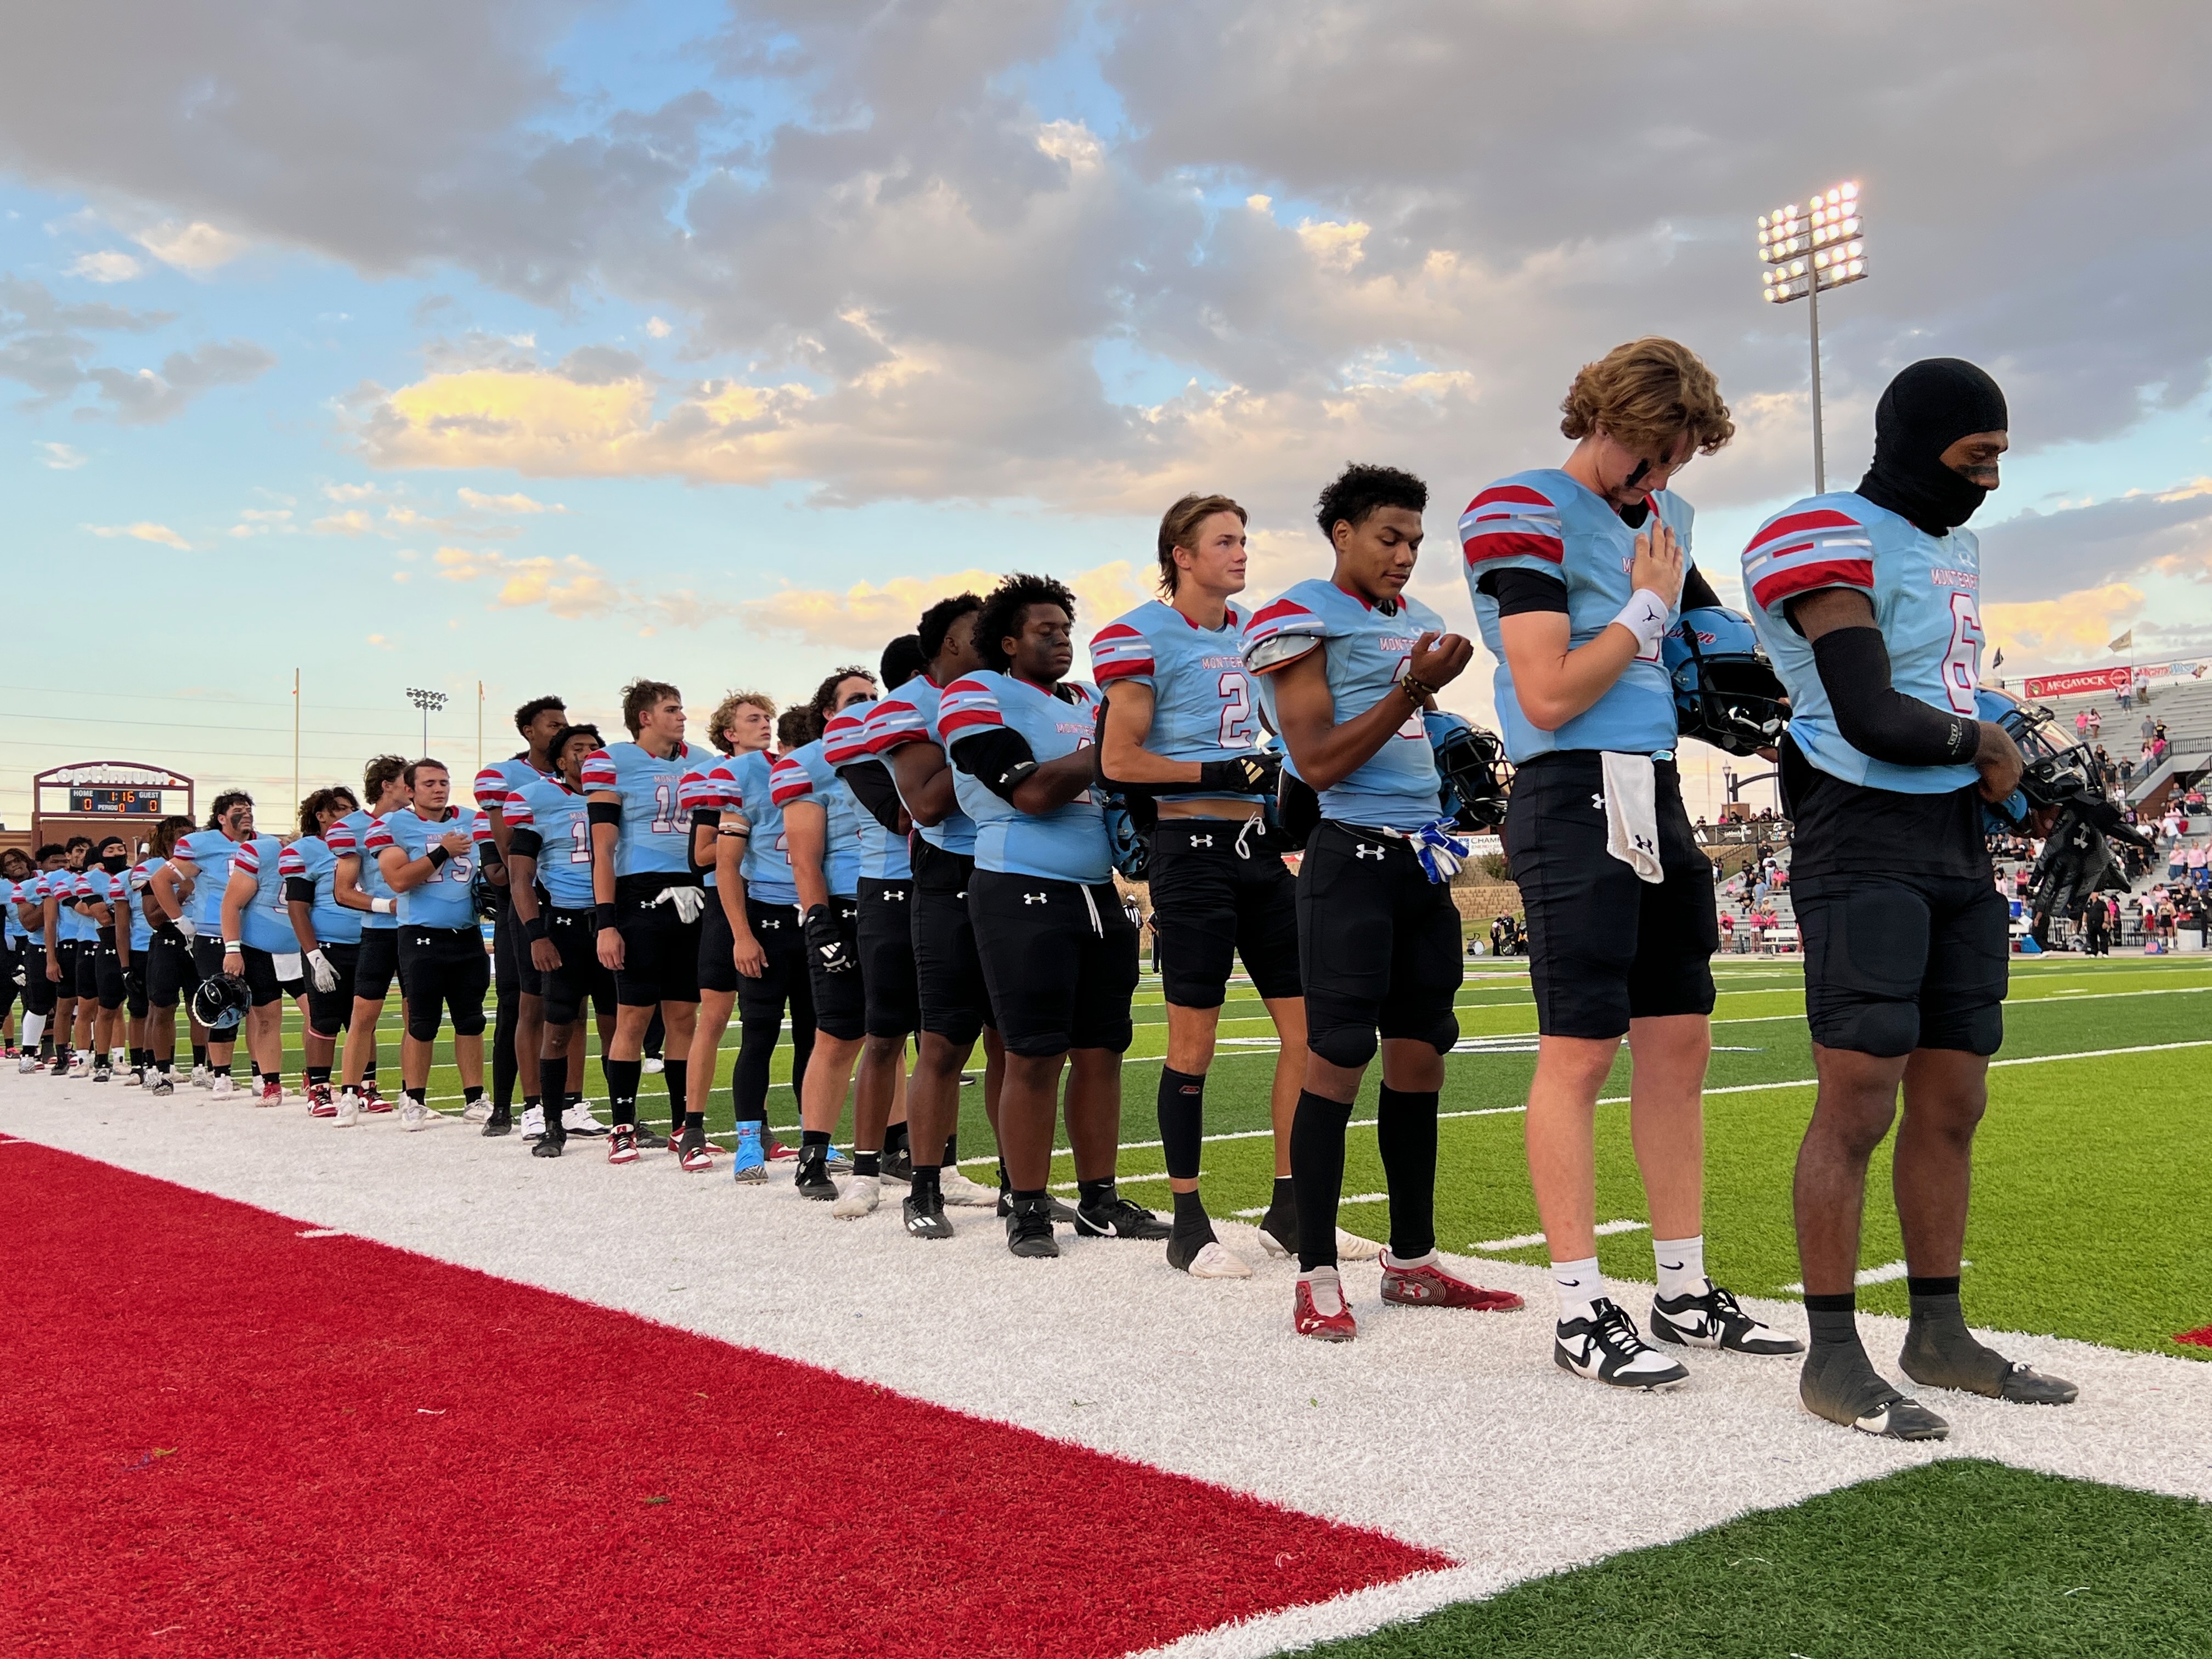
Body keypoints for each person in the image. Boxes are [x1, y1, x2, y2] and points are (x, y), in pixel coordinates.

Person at [1741, 356, 2077, 1441]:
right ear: (1917, 441)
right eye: (1975, 457)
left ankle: (1938, 1332)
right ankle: (1832, 1356)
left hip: (1949, 841)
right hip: (1860, 828)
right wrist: (1982, 742)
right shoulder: (1823, 532)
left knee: (1954, 1097)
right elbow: (1874, 712)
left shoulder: (1955, 545)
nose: (1989, 480)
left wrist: (2019, 750)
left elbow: (1943, 689)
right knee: (1859, 1096)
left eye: (1998, 460)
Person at [1462, 337, 1793, 1385]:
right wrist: (1647, 610)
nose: (1662, 476)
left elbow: (1712, 651)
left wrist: (1745, 680)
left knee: (1679, 1039)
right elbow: (1549, 689)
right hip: (1568, 783)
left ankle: (1683, 1286)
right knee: (1580, 1048)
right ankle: (1574, 1307)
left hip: (1651, 784)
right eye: (1652, 450)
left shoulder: (1663, 517)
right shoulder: (1517, 506)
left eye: (1680, 457)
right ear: (1605, 419)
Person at [1242, 462, 1519, 1340]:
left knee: (1423, 1055)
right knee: (1337, 1056)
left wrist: (1449, 739)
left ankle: (1412, 1262)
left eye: (1415, 542)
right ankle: (1317, 1271)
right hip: (1348, 857)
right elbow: (1316, 761)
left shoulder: (1424, 623)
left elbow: (1415, 731)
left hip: (1423, 861)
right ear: (1343, 535)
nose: (1404, 556)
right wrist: (1412, 690)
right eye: (1389, 538)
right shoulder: (1296, 616)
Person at [1094, 492, 1319, 1279]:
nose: (1241, 552)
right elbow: (1119, 761)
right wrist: (1222, 770)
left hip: (1260, 850)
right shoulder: (1138, 634)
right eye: (1224, 541)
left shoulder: (1260, 630)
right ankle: (1187, 1223)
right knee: (1195, 1044)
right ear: (1181, 556)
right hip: (1189, 848)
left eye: (1244, 539)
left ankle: (1290, 1211)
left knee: (1311, 1035)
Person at [945, 572, 1168, 1258]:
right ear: (1007, 641)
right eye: (1045, 631)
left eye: (1067, 629)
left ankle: (1099, 1198)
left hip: (1097, 892)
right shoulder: (976, 693)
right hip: (1019, 886)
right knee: (1033, 1053)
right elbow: (1032, 793)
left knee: (1103, 1051)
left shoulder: (1087, 700)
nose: (1062, 640)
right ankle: (1029, 1204)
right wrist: (1110, 755)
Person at [869, 592, 1015, 1237]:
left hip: (1017, 866)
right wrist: (986, 748)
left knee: (1015, 1040)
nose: (993, 638)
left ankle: (1023, 1184)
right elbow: (926, 806)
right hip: (949, 872)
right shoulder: (905, 706)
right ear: (948, 644)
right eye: (977, 630)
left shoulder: (1020, 692)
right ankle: (923, 1188)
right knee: (944, 1041)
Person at [584, 681, 708, 1166]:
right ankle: (622, 1127)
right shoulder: (612, 761)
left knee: (683, 1017)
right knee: (633, 1016)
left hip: (694, 892)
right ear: (644, 717)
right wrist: (606, 922)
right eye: (672, 709)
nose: (681, 717)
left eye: (681, 708)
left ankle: (684, 1128)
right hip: (638, 894)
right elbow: (604, 849)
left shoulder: (701, 760)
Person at [829, 642, 930, 1215]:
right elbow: (899, 816)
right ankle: (866, 1168)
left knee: (942, 1040)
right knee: (885, 1033)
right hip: (890, 887)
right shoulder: (866, 735)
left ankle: (937, 1163)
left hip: (947, 886)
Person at [775, 665, 881, 1205]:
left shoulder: (891, 750)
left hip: (895, 903)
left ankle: (898, 1147)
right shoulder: (806, 766)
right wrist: (819, 922)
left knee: (890, 1032)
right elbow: (804, 858)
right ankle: (813, 1155)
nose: (867, 704)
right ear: (830, 713)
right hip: (842, 906)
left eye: (873, 696)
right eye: (855, 698)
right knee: (838, 1035)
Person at [721, 705, 826, 1180]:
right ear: (783, 749)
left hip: (817, 917)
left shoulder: (830, 774)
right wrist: (742, 935)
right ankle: (749, 1139)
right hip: (767, 915)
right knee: (759, 1033)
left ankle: (812, 1142)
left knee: (813, 1035)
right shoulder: (745, 781)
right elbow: (725, 867)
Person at [507, 724, 619, 1158]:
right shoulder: (538, 800)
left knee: (618, 1030)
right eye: (579, 749)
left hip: (613, 923)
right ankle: (553, 1123)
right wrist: (537, 934)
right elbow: (520, 879)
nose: (589, 755)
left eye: (595, 748)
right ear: (559, 761)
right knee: (556, 1030)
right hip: (567, 924)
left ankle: (623, 1123)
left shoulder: (614, 795)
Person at [679, 692, 778, 1174]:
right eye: (753, 719)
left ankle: (760, 1127)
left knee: (766, 1026)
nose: (766, 725)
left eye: (768, 718)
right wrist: (742, 832)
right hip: (725, 906)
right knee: (715, 1016)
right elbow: (697, 856)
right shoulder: (717, 779)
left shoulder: (780, 771)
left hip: (769, 903)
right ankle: (693, 1127)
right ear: (729, 733)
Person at [369, 760, 494, 1130]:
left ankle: (475, 1098)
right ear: (410, 791)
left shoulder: (473, 819)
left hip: (467, 932)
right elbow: (398, 880)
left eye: (443, 782)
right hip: (420, 934)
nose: (438, 789)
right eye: (429, 784)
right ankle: (414, 1099)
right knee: (422, 1022)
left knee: (471, 1019)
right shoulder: (394, 825)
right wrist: (442, 851)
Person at [472, 695, 568, 1138]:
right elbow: (509, 856)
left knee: (567, 1006)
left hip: (570, 903)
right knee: (518, 1004)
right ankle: (516, 1106)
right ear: (529, 731)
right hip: (524, 900)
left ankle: (567, 1103)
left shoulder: (577, 777)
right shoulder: (505, 776)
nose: (559, 731)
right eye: (552, 724)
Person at [155, 795, 256, 1096]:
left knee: (262, 1007)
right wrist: (181, 921)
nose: (246, 815)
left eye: (249, 810)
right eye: (238, 811)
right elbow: (161, 881)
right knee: (224, 1002)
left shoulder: (261, 843)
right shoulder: (203, 844)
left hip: (254, 935)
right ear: (222, 818)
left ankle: (262, 1075)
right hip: (214, 934)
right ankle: (221, 1075)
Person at [331, 755, 411, 1122]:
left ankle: (413, 1094)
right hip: (379, 931)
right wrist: (386, 905)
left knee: (418, 1017)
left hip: (418, 932)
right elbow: (343, 892)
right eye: (406, 781)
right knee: (363, 1015)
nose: (412, 788)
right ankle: (350, 1093)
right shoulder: (353, 828)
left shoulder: (419, 823)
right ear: (387, 786)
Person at [223, 800, 313, 1105]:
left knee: (319, 1017)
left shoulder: (326, 857)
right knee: (266, 1019)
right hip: (260, 948)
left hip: (302, 949)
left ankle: (315, 1078)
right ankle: (270, 1083)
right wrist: (232, 949)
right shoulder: (261, 852)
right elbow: (231, 903)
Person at [281, 787, 364, 1116]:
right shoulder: (304, 851)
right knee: (325, 1019)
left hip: (367, 940)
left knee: (362, 1018)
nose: (350, 815)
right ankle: (318, 1088)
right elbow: (298, 909)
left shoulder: (363, 843)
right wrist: (314, 955)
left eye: (352, 809)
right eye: (342, 809)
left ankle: (364, 1087)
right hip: (327, 943)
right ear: (322, 815)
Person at [12, 845, 67, 1072]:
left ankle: (82, 1052)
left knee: (77, 1002)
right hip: (40, 949)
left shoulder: (76, 882)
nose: (61, 867)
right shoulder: (27, 888)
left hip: (71, 946)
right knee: (39, 1004)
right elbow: (30, 923)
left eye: (64, 862)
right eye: (55, 862)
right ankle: (28, 1053)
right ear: (42, 865)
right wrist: (49, 898)